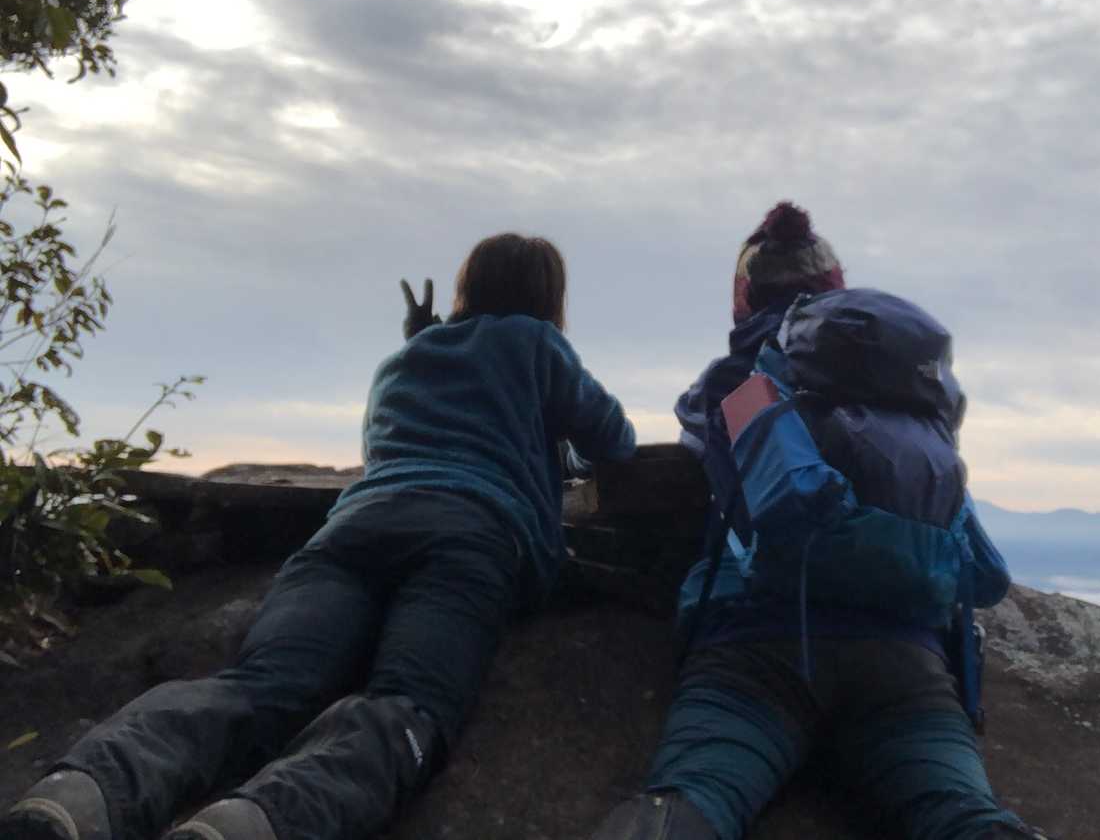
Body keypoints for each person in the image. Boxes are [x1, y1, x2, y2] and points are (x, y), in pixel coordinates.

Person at [3, 233, 636, 840]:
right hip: (466, 539)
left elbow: (394, 447)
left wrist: (430, 342)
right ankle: (259, 822)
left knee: (261, 684)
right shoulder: (536, 343)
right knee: (407, 705)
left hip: (353, 531)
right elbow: (615, 439)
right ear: (548, 298)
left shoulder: (403, 361)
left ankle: (87, 790)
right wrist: (561, 446)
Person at [589, 202, 1044, 840]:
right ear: (837, 290)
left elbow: (715, 467)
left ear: (744, 298)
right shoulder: (908, 402)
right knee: (964, 817)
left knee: (690, 801)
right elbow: (985, 575)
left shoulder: (737, 383)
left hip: (756, 649)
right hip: (905, 662)